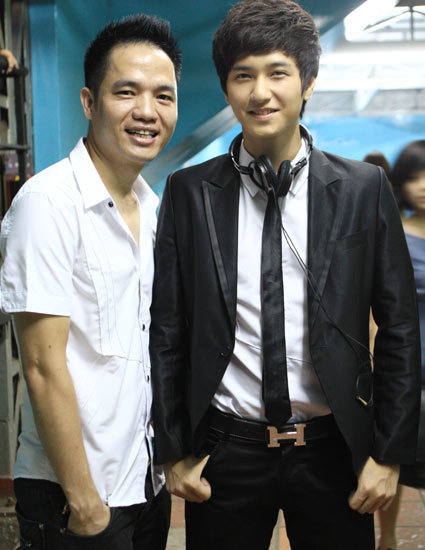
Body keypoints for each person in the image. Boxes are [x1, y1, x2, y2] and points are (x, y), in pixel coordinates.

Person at [150, 1, 421, 548]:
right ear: (226, 88)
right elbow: (168, 330)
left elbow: (399, 329)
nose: (260, 93)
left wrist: (388, 454)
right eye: (242, 76)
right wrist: (174, 451)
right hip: (225, 451)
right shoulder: (188, 192)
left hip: (332, 448)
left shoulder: (364, 189)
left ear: (308, 83)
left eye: (278, 73)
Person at [0, 13, 180, 550]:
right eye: (126, 92)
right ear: (89, 101)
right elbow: (41, 366)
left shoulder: (152, 208)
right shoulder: (48, 203)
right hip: (75, 496)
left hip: (143, 483)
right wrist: (84, 502)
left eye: (163, 96)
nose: (146, 111)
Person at [377, 140, 425, 550]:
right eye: (414, 177)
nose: (423, 186)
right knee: (390, 456)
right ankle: (388, 538)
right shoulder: (393, 231)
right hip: (404, 363)